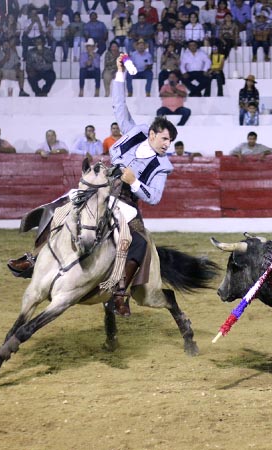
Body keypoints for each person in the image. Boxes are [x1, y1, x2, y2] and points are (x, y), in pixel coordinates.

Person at [105, 54, 178, 316]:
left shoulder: (163, 166)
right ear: (152, 134)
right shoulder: (134, 132)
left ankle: (120, 292)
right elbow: (118, 105)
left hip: (125, 203)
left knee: (139, 244)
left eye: (170, 141)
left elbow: (155, 197)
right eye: (165, 139)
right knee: (69, 201)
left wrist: (134, 182)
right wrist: (120, 73)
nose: (167, 145)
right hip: (103, 187)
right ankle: (35, 257)